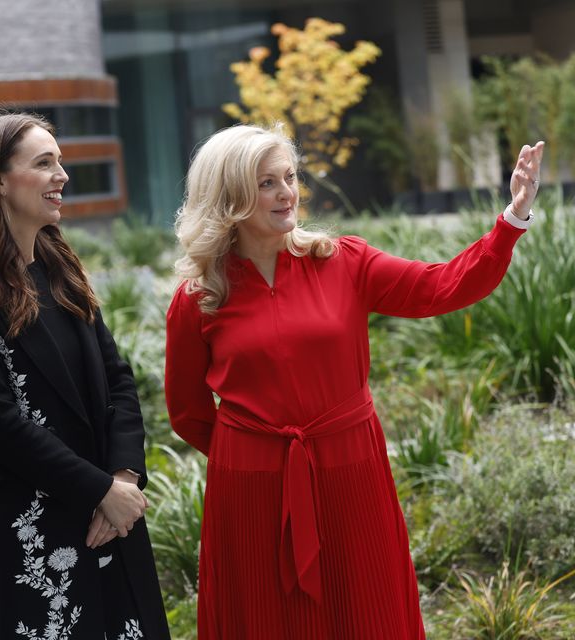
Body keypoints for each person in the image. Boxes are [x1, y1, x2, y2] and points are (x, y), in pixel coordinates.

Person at [164, 124, 544, 639]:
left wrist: (512, 218)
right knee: (262, 616)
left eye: (290, 177)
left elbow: (441, 287)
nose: (287, 193)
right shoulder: (199, 296)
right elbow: (187, 411)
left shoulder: (342, 261)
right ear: (230, 196)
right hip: (249, 489)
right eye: (267, 183)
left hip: (351, 470)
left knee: (366, 607)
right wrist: (252, 455)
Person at [0, 113, 171, 640]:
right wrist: (98, 490)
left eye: (60, 161)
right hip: (33, 523)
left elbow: (119, 381)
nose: (62, 175)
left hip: (112, 517)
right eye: (44, 164)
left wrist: (123, 481)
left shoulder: (62, 266)